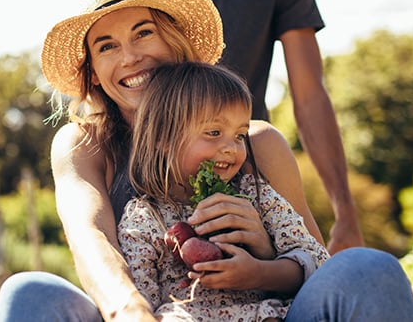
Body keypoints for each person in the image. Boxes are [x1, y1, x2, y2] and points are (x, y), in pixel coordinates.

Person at [0, 0, 413, 321]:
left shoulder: (257, 143)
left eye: (144, 33)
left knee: (368, 268)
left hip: (266, 313)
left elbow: (314, 261)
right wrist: (132, 312)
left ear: (176, 42)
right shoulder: (85, 143)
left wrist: (264, 256)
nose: (129, 57)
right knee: (28, 291)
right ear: (94, 71)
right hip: (154, 313)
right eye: (107, 46)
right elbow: (90, 238)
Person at [106, 0, 363, 254]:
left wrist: (345, 211)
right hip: (146, 175)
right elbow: (108, 70)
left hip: (243, 171)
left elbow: (309, 96)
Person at [119, 61, 329, 321]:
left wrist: (260, 271)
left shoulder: (255, 197)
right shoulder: (145, 218)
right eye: (214, 132)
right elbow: (140, 299)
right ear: (164, 138)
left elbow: (319, 262)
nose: (231, 147)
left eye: (240, 135)